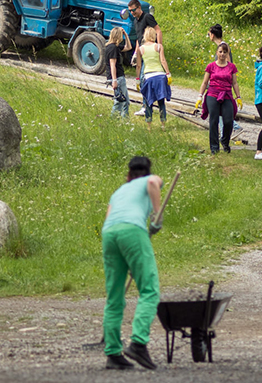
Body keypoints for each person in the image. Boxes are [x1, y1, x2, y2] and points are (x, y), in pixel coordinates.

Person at [101, 156, 163, 370]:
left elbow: (109, 217)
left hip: (109, 234)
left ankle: (112, 352)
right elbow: (153, 184)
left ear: (127, 175)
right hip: (132, 231)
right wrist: (157, 217)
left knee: (115, 296)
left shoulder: (118, 192)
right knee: (150, 289)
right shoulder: (148, 179)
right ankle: (138, 343)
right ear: (147, 171)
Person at [196, 42, 242, 154]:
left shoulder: (232, 67)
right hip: (213, 93)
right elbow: (205, 82)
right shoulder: (211, 66)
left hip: (226, 94)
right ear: (217, 53)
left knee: (228, 120)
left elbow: (234, 83)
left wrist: (238, 97)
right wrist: (200, 96)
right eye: (220, 52)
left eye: (224, 52)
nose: (222, 54)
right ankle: (214, 148)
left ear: (227, 54)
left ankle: (225, 141)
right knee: (214, 120)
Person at [207, 24, 242, 139]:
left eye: (209, 34)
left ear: (212, 35)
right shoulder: (221, 46)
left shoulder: (223, 46)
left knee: (221, 109)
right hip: (219, 83)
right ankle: (224, 132)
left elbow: (228, 65)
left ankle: (234, 127)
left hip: (223, 84)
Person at [135, 26, 171, 128]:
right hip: (160, 76)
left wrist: (137, 79)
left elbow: (138, 66)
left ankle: (149, 125)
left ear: (145, 36)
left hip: (148, 76)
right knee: (161, 102)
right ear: (154, 35)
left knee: (148, 102)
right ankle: (163, 124)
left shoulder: (140, 49)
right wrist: (168, 73)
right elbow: (163, 61)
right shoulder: (159, 47)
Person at [105, 27, 132, 118]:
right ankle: (116, 120)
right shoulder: (113, 48)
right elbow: (112, 65)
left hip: (117, 77)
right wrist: (114, 80)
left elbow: (128, 47)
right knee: (121, 101)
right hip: (118, 77)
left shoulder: (113, 47)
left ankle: (123, 120)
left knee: (124, 101)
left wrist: (126, 35)